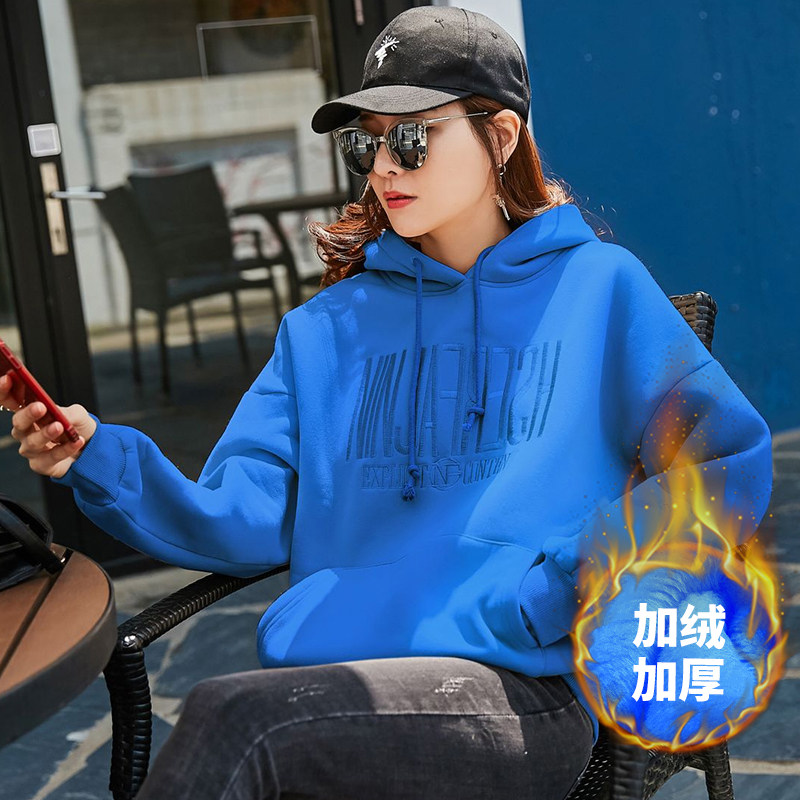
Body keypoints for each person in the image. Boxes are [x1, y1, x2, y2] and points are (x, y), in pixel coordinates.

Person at [0, 6, 772, 798]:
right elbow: (243, 514)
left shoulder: (598, 291)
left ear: (501, 136)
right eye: (365, 143)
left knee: (237, 723)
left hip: (513, 687)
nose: (384, 167)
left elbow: (724, 467)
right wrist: (99, 459)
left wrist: (556, 590)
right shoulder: (324, 330)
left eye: (412, 137)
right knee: (251, 731)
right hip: (332, 684)